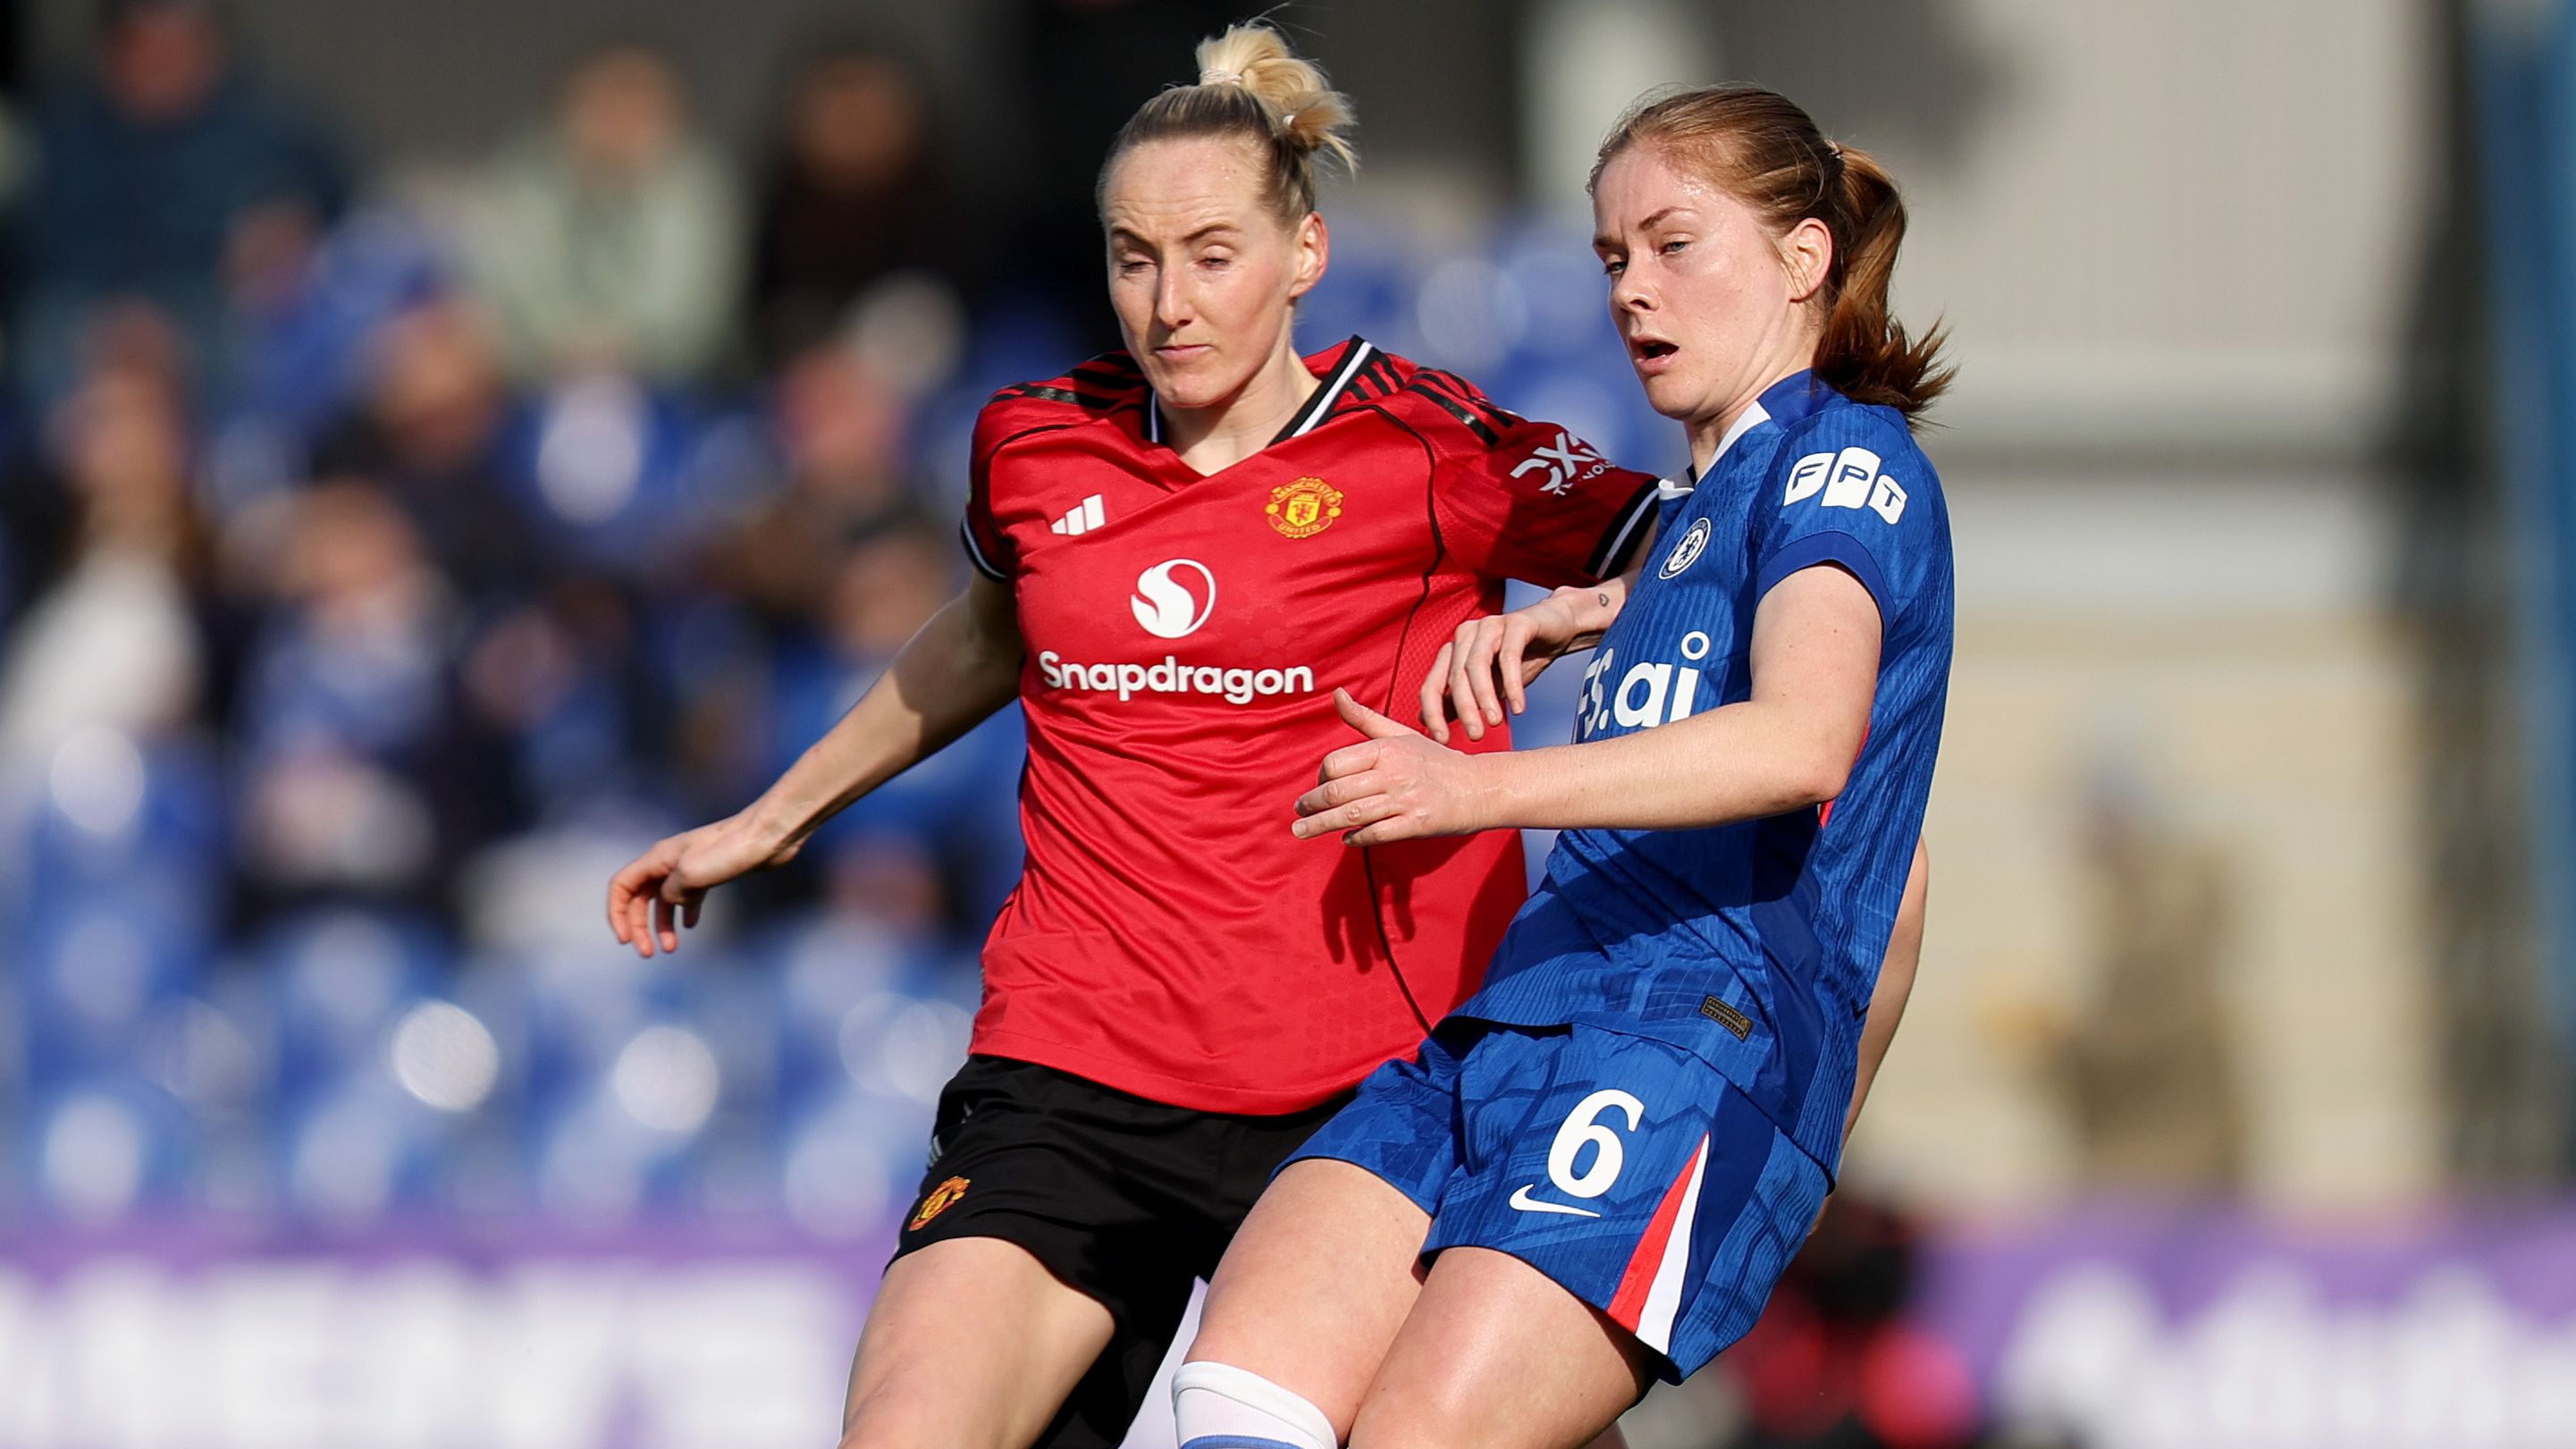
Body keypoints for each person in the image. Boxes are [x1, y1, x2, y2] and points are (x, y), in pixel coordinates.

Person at [603, 25, 1667, 1449]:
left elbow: (1700, 548)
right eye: (1132, 256)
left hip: (1365, 1092)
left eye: (1212, 254)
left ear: (1303, 255)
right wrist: (771, 817)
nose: (1167, 301)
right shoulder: (1037, 440)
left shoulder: (1428, 445)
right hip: (1076, 1063)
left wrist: (1568, 616)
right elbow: (990, 632)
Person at [1175, 83, 1954, 1449]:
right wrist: (1585, 607)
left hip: (1675, 1047)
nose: (1629, 292)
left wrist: (1470, 786)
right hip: (1517, 1016)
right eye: (1608, 258)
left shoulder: (1848, 463)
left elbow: (1800, 740)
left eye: (1671, 244)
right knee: (1236, 1395)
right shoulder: (1713, 509)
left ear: (1800, 258)